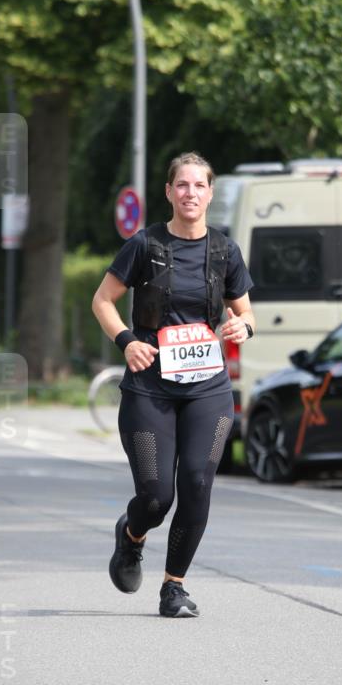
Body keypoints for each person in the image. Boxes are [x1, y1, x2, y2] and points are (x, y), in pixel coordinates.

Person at [93, 152, 255, 618]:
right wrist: (126, 341)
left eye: (199, 186)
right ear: (168, 192)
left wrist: (242, 327)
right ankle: (131, 536)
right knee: (156, 495)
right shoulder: (144, 245)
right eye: (181, 185)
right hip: (150, 388)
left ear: (210, 193)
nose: (190, 193)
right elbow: (102, 300)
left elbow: (246, 312)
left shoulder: (225, 251)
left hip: (208, 388)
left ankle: (174, 587)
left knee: (199, 481)